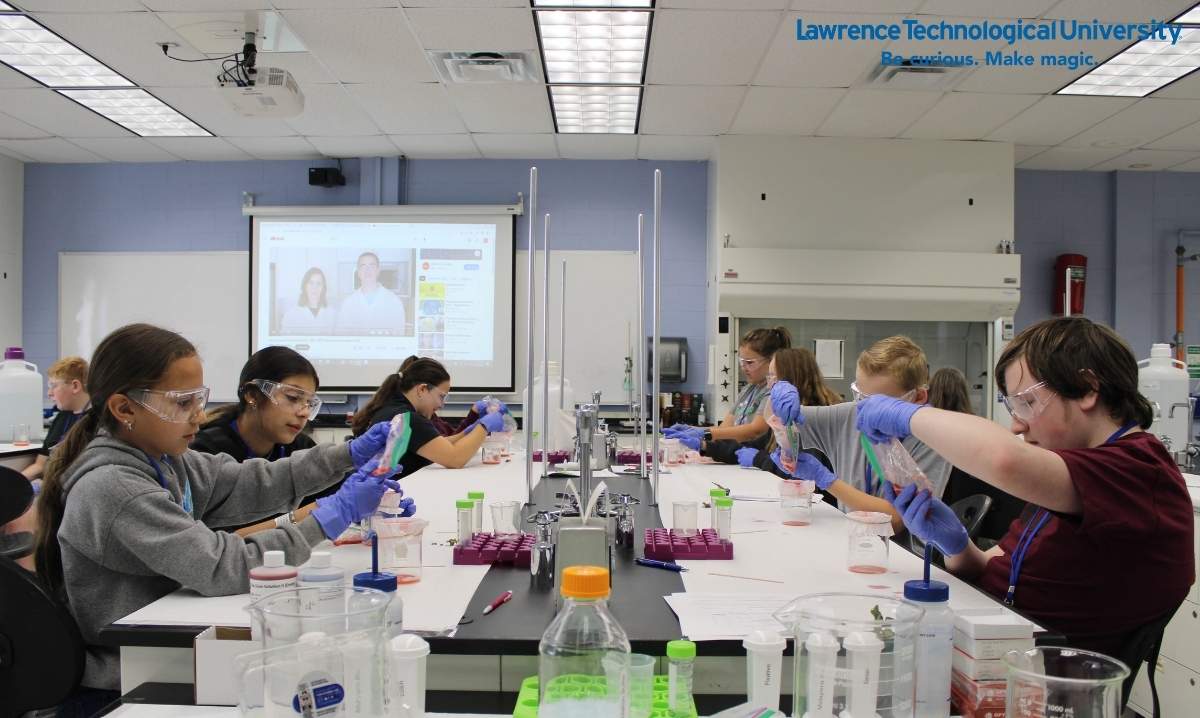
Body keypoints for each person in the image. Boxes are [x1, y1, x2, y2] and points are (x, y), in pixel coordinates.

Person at [32, 323, 404, 703]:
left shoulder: (166, 459)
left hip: (170, 646)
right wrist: (327, 518)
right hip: (133, 673)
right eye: (182, 402)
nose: (199, 415)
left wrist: (348, 454)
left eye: (199, 399)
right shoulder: (115, 487)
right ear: (124, 408)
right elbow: (222, 566)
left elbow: (252, 481)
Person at [855, 317, 1194, 655]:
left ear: (1088, 388)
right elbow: (994, 567)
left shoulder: (1140, 472)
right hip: (996, 640)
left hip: (1046, 678)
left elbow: (1006, 459)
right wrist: (956, 544)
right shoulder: (1074, 470)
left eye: (1027, 403)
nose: (1017, 425)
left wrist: (906, 415)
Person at [767, 336, 953, 534]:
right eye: (860, 395)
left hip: (903, 553)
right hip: (852, 538)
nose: (865, 409)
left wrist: (825, 480)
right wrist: (778, 395)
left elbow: (895, 521)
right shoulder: (851, 415)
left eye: (879, 403)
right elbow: (775, 418)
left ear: (918, 397)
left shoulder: (933, 440)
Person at [191, 347, 328, 534]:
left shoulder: (300, 448)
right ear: (252, 395)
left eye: (310, 404)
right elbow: (219, 540)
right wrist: (299, 517)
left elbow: (333, 495)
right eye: (293, 398)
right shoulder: (206, 452)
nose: (304, 412)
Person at [351, 357, 506, 476]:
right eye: (441, 396)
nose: (441, 404)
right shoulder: (407, 418)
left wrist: (466, 432)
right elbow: (456, 459)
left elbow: (437, 445)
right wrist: (483, 426)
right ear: (422, 389)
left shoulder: (392, 408)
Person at [701, 348, 838, 477]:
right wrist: (705, 446)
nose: (769, 385)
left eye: (773, 377)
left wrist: (758, 459)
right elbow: (754, 446)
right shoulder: (785, 416)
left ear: (791, 380)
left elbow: (800, 473)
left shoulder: (809, 418)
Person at [929, 367, 1027, 545]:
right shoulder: (980, 427)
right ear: (963, 392)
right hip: (978, 520)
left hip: (944, 516)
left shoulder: (928, 434)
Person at [664, 327, 791, 446]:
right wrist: (693, 429)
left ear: (771, 360)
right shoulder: (749, 389)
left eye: (750, 363)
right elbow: (725, 428)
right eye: (742, 362)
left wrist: (705, 434)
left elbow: (756, 430)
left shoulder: (775, 391)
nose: (744, 368)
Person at [22, 356, 90, 481]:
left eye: (54, 386)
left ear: (75, 386)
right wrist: (15, 481)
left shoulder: (96, 422)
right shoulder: (62, 417)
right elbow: (40, 465)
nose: (49, 393)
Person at [335, 252, 407, 335]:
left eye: (372, 266)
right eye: (363, 266)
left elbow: (399, 335)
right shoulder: (348, 303)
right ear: (358, 272)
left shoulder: (394, 301)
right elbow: (341, 335)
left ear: (378, 270)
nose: (367, 270)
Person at [280, 267, 337, 335]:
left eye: (318, 283)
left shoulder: (333, 314)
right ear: (304, 286)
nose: (314, 287)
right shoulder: (290, 315)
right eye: (311, 283)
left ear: (323, 288)